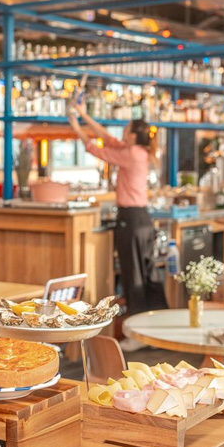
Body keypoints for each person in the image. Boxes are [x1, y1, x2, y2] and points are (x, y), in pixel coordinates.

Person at [68, 105, 166, 350]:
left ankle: (137, 336)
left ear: (132, 135)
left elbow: (97, 149)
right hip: (141, 218)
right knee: (147, 274)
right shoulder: (138, 150)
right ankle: (154, 331)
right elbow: (105, 137)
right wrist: (83, 115)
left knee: (133, 276)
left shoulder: (132, 153)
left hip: (131, 219)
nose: (122, 130)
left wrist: (77, 127)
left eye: (127, 128)